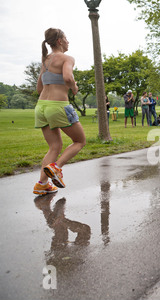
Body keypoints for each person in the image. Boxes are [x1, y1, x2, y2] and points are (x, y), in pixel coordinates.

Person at [33, 28, 86, 195]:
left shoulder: (45, 61)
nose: (68, 41)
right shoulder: (67, 58)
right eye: (66, 38)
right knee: (79, 141)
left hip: (41, 106)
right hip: (58, 106)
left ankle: (42, 184)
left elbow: (39, 87)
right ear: (60, 41)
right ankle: (56, 167)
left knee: (54, 146)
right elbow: (68, 78)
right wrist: (74, 87)